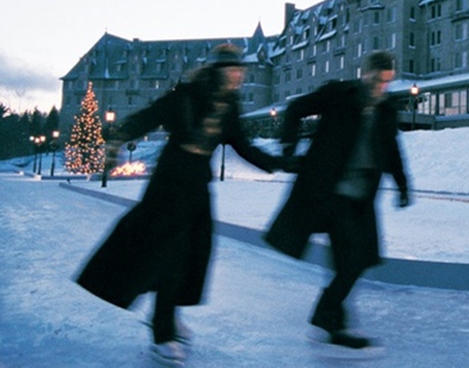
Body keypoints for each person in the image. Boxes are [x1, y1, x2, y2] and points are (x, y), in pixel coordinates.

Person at [76, 44, 284, 366]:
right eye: (232, 70)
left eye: (240, 71)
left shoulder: (230, 105)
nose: (238, 76)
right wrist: (119, 136)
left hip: (198, 187)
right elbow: (150, 116)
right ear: (217, 72)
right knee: (167, 255)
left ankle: (168, 314)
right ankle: (163, 329)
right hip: (169, 187)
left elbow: (242, 145)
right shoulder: (186, 95)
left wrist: (278, 162)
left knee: (192, 255)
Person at [264, 50, 412, 351]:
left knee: (358, 260)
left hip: (362, 197)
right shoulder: (338, 94)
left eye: (386, 82)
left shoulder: (386, 109)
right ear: (364, 73)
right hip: (331, 193)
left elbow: (392, 149)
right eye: (376, 79)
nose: (380, 87)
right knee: (352, 259)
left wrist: (403, 185)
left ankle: (332, 313)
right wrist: (289, 147)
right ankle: (327, 316)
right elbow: (295, 109)